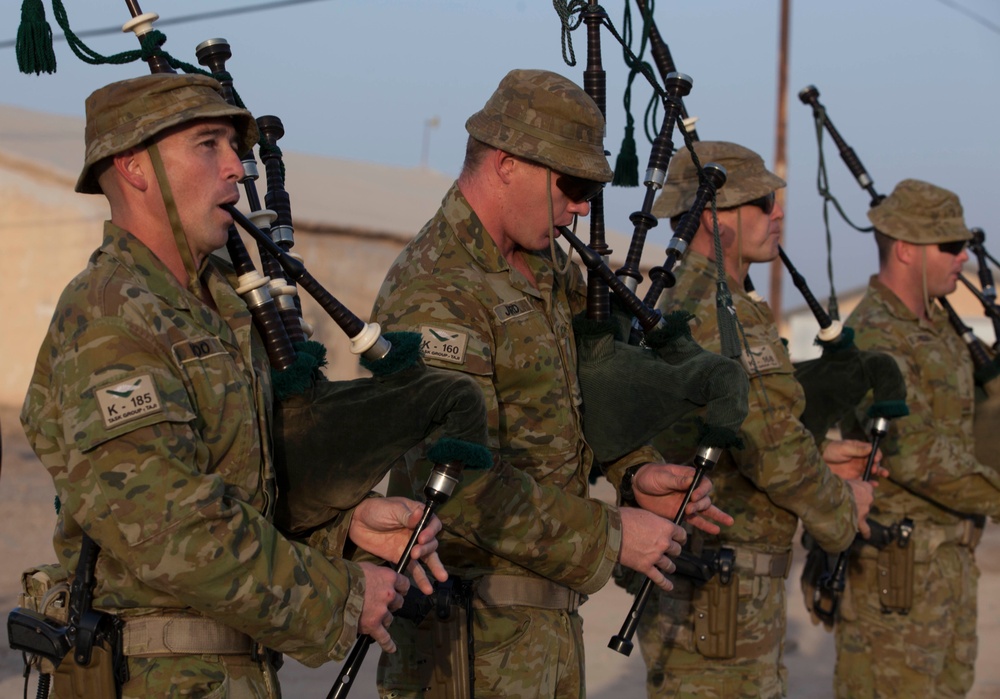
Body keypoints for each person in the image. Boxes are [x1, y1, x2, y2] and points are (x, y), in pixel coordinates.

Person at [19, 72, 447, 698]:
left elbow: (236, 491)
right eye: (208, 144)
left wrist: (344, 529)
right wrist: (336, 595)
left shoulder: (213, 306)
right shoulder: (112, 313)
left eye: (235, 147)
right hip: (152, 679)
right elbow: (167, 525)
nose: (239, 170)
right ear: (134, 166)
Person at [371, 68, 732, 698]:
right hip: (466, 644)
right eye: (572, 183)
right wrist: (615, 535)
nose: (584, 205)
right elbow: (460, 482)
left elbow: (578, 398)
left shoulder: (542, 270)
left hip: (545, 630)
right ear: (507, 164)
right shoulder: (435, 290)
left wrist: (633, 471)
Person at [637, 140, 879, 698]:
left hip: (727, 586)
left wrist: (820, 457)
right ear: (715, 216)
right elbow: (769, 446)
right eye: (763, 202)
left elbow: (751, 426)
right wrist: (843, 510)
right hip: (718, 592)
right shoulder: (708, 308)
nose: (779, 214)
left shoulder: (706, 299)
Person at [834, 179, 1000, 698]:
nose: (962, 259)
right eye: (950, 247)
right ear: (905, 249)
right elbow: (914, 453)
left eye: (966, 246)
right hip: (897, 577)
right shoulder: (874, 336)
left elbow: (975, 431)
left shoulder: (943, 329)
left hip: (951, 565)